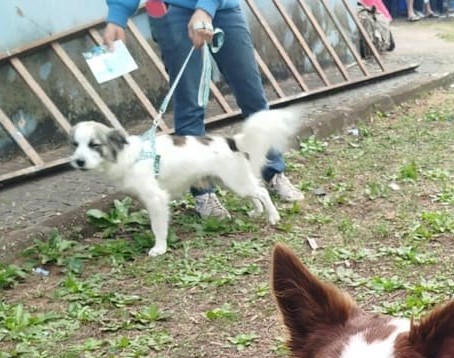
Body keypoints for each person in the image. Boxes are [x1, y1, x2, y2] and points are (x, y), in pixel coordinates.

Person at [103, 0, 304, 219]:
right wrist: (118, 14)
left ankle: (273, 172)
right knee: (189, 105)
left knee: (252, 96)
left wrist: (205, 8)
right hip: (171, 11)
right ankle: (204, 194)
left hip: (223, 8)